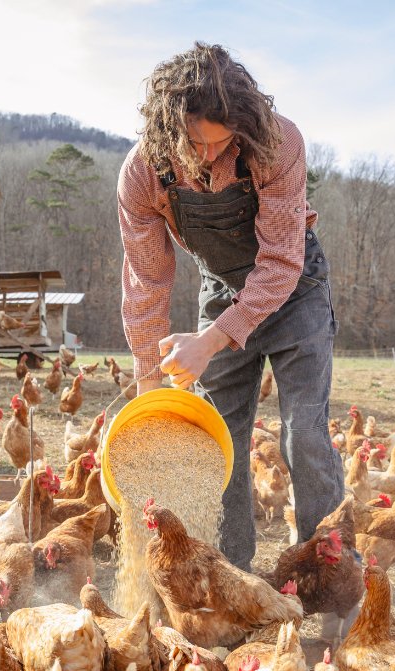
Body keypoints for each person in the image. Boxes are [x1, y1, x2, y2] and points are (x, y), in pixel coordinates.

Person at [117, 42, 344, 570]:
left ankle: (327, 579)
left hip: (295, 291)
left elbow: (280, 266)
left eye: (225, 144)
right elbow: (148, 280)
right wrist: (150, 381)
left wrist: (211, 341)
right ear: (168, 129)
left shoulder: (278, 142)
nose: (212, 156)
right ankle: (232, 577)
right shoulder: (141, 175)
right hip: (220, 286)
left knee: (304, 434)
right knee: (221, 442)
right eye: (198, 143)